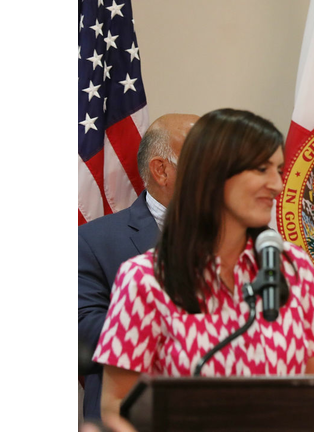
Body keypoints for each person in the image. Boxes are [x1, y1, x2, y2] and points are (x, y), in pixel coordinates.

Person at [92, 108, 314, 422]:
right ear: (208, 173)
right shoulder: (146, 278)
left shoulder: (294, 268)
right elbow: (116, 406)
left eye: (278, 170)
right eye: (260, 169)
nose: (277, 185)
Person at [78, 113, 199, 420]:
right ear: (161, 170)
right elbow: (83, 333)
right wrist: (186, 330)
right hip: (131, 414)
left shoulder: (240, 238)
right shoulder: (94, 240)